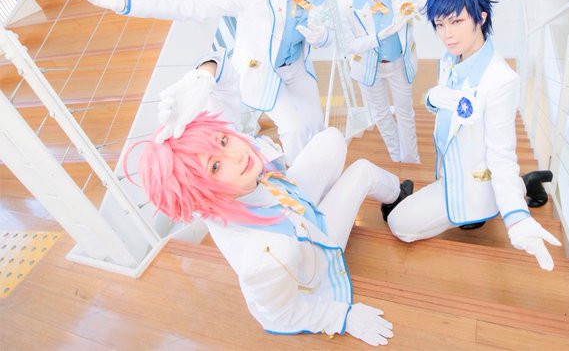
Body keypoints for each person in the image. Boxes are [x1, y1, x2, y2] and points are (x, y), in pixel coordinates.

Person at [67, 0, 341, 163]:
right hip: (263, 72)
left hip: (296, 68)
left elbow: (328, 35)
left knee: (316, 123)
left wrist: (322, 37)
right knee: (294, 128)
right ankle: (302, 184)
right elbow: (196, 4)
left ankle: (323, 169)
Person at [125, 111, 412, 345]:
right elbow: (278, 314)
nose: (236, 155)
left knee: (332, 139)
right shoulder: (266, 255)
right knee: (361, 171)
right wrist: (340, 317)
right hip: (314, 244)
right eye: (215, 167)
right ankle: (396, 199)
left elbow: (239, 147)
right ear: (200, 194)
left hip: (290, 201)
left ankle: (335, 197)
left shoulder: (241, 174)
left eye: (223, 140)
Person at [383, 0, 561, 271]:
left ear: (481, 18)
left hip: (474, 182)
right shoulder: (452, 56)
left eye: (457, 21)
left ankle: (505, 196)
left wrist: (516, 218)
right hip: (450, 170)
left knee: (399, 224)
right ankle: (525, 183)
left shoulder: (501, 80)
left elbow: (501, 155)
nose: (447, 34)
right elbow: (446, 104)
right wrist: (433, 97)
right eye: (440, 24)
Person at [338, 0, 424, 163]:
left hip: (399, 64)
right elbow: (349, 45)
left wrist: (466, 0)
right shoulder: (346, 1)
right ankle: (397, 157)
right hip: (369, 68)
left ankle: (411, 159)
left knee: (405, 113)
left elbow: (429, 7)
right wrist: (377, 38)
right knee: (381, 114)